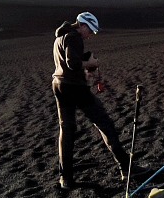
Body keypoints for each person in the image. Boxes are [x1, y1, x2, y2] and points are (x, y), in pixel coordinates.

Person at [52, 12, 129, 190]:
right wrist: (91, 63)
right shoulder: (74, 37)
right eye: (90, 30)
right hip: (75, 88)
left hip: (59, 85)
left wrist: (85, 65)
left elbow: (66, 64)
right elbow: (72, 64)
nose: (90, 35)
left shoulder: (60, 37)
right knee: (104, 123)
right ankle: (126, 166)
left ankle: (66, 178)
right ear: (82, 25)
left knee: (67, 131)